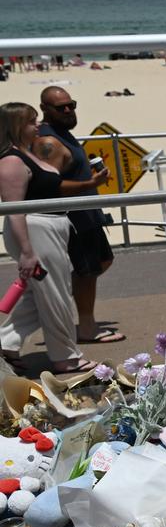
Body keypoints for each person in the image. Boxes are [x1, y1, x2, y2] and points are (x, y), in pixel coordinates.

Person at [0, 103, 97, 373]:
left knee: (38, 293)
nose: (38, 126)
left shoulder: (26, 154)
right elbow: (13, 210)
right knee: (55, 294)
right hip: (36, 230)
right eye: (32, 122)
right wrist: (27, 252)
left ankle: (5, 342)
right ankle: (65, 356)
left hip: (50, 227)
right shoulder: (11, 161)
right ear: (17, 126)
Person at [34, 87, 121, 344]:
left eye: (71, 104)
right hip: (75, 218)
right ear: (45, 110)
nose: (68, 110)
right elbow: (48, 185)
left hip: (86, 214)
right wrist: (89, 184)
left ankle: (67, 311)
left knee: (101, 262)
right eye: (60, 107)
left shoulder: (62, 135)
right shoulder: (49, 143)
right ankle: (86, 327)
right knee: (87, 271)